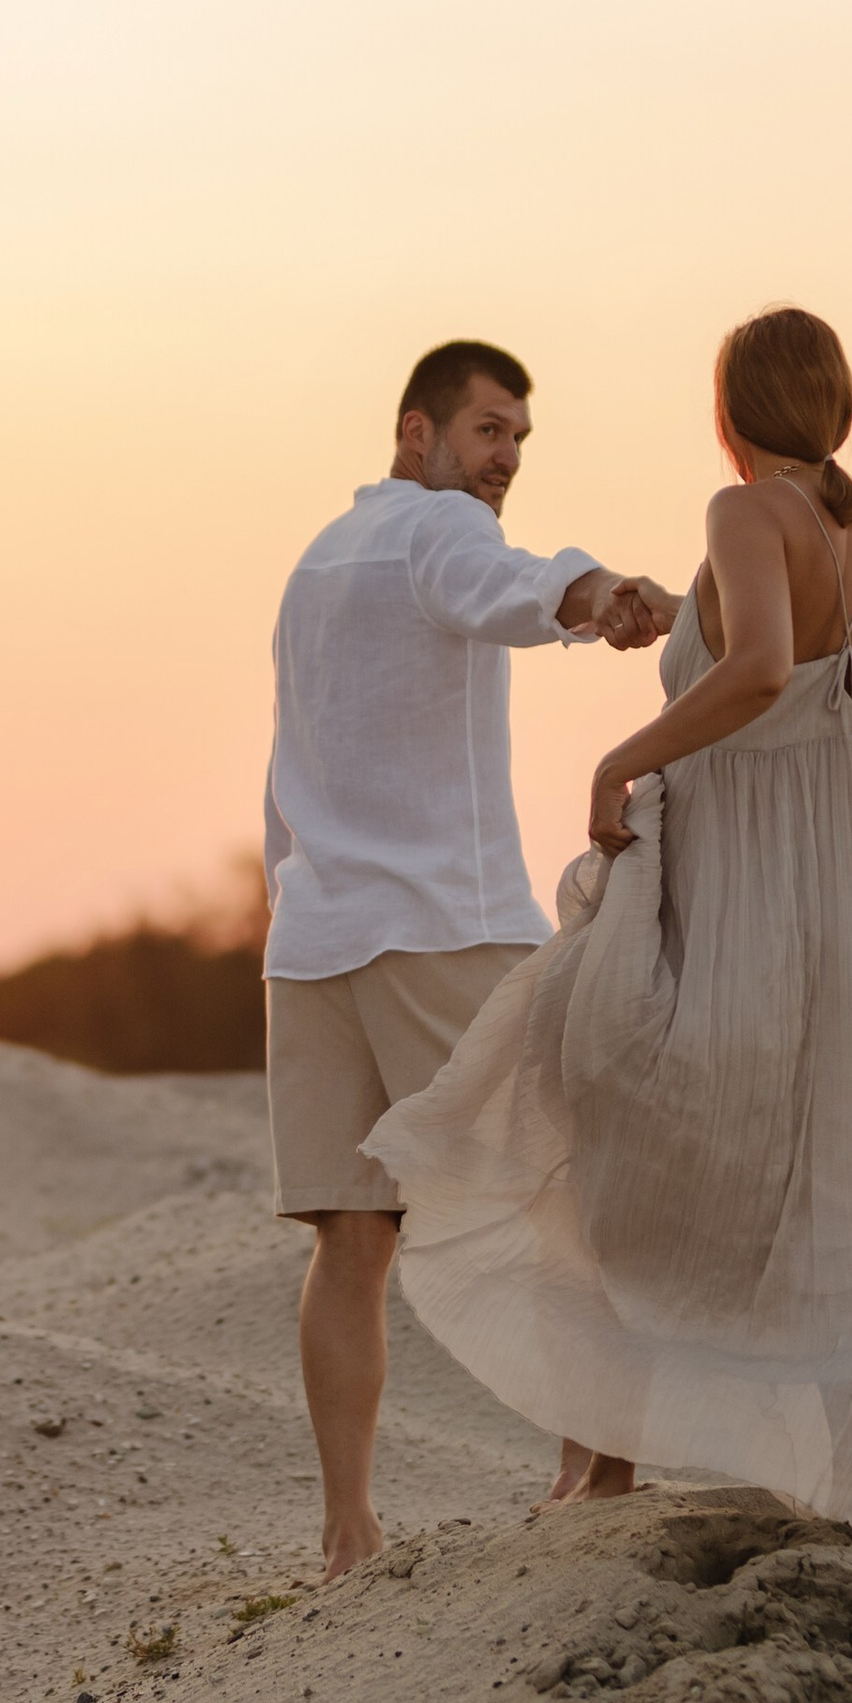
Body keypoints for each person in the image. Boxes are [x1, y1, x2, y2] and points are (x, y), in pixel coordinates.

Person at [367, 307, 852, 1542]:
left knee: (602, 1111)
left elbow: (761, 672)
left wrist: (618, 759)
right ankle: (848, 1486)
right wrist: (671, 617)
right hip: (838, 893)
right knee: (823, 1168)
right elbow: (772, 662)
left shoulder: (741, 510)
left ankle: (608, 1464)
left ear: (732, 412)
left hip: (729, 878)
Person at [263, 339, 677, 1580]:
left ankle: (348, 1531)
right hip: (442, 924)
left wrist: (280, 905)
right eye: (488, 431)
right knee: (561, 1177)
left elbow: (281, 771)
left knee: (349, 1239)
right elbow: (508, 581)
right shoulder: (426, 532)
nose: (502, 461)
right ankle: (599, 1464)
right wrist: (599, 594)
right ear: (415, 433)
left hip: (315, 936)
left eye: (516, 441)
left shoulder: (311, 568)